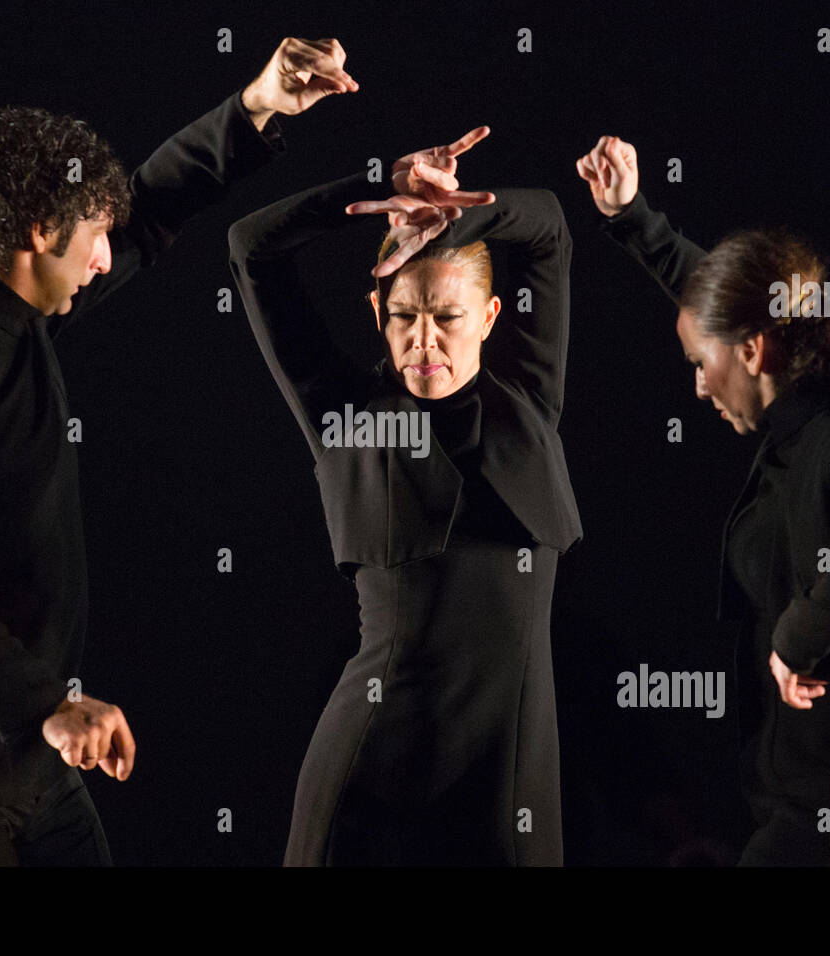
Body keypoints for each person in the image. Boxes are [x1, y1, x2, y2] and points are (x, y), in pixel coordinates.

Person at [0, 38, 359, 866]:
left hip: (33, 757)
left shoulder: (19, 317)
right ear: (40, 230)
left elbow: (148, 210)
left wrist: (257, 105)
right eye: (94, 237)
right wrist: (45, 702)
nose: (108, 258)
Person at [578, 135, 830, 865]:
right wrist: (633, 217)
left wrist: (794, 638)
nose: (697, 386)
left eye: (699, 365)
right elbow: (723, 302)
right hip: (815, 802)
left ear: (752, 352)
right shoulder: (797, 415)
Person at [228, 128, 583, 865]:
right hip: (376, 768)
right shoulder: (343, 414)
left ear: (488, 319)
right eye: (403, 316)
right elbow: (250, 244)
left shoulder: (530, 400)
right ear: (377, 316)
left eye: (448, 317)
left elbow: (548, 225)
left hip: (510, 776)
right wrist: (374, 195)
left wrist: (453, 214)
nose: (424, 338)